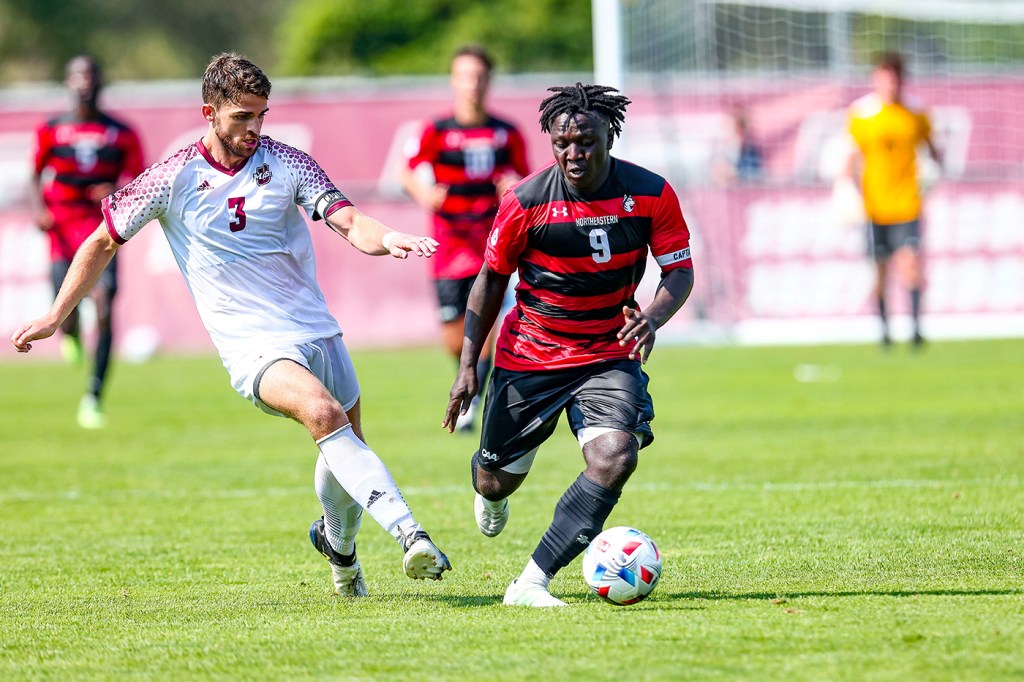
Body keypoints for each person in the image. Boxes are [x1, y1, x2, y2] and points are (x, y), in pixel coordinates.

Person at [13, 53, 451, 597]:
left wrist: (389, 239)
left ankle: (338, 550)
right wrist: (57, 315)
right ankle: (412, 534)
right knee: (323, 412)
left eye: (261, 115)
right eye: (242, 116)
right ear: (210, 112)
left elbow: (351, 221)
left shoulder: (289, 162)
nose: (254, 129)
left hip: (317, 329)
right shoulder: (171, 177)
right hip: (252, 346)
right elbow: (101, 239)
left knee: (344, 445)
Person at [442, 83, 694, 607]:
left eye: (585, 141)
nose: (573, 153)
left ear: (610, 136)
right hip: (531, 354)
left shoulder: (650, 192)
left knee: (615, 456)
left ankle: (530, 582)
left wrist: (651, 317)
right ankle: (489, 489)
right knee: (494, 482)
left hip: (609, 350)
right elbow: (489, 282)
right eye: (562, 143)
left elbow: (680, 271)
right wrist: (469, 365)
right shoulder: (526, 200)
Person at [399, 45, 530, 432]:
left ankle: (475, 397)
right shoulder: (436, 130)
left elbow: (526, 182)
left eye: (479, 76)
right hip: (448, 248)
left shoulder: (506, 133)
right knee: (454, 338)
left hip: (492, 246)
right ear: (453, 81)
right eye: (465, 76)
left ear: (488, 81)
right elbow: (407, 172)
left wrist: (512, 187)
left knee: (486, 324)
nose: (472, 84)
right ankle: (467, 372)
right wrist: (423, 193)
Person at [30, 55, 145, 428]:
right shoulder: (50, 129)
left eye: (91, 75)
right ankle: (70, 332)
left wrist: (117, 189)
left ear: (99, 82)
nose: (85, 82)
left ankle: (93, 396)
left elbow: (143, 179)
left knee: (106, 304)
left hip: (103, 229)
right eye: (78, 75)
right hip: (62, 228)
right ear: (68, 81)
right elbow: (34, 175)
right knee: (64, 312)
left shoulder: (121, 132)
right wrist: (40, 210)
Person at [842, 52, 941, 348]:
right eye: (884, 78)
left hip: (908, 203)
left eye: (894, 78)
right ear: (876, 79)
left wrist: (934, 171)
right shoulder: (861, 113)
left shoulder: (916, 112)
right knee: (880, 269)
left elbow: (932, 151)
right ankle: (884, 330)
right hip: (874, 206)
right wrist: (851, 190)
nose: (890, 85)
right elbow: (852, 158)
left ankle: (915, 328)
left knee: (911, 264)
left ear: (901, 80)